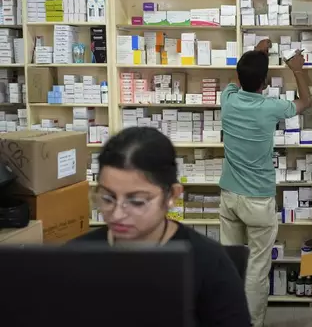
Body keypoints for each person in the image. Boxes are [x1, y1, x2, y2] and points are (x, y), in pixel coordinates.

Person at [68, 127, 251, 327]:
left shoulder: (208, 263)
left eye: (137, 201)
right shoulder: (73, 257)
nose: (117, 214)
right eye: (107, 198)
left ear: (172, 195)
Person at [219, 39, 312, 327]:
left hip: (230, 197)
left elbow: (239, 79)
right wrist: (298, 70)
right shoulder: (271, 107)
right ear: (264, 83)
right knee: (257, 269)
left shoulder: (228, 99)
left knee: (231, 265)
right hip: (258, 199)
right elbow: (305, 102)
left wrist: (258, 53)